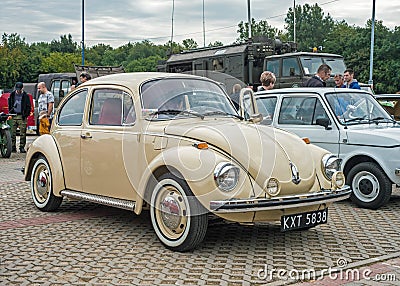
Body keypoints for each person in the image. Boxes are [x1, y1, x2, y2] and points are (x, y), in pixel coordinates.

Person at [7, 82, 31, 153]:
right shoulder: (12, 95)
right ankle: (13, 147)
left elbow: (28, 106)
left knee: (22, 133)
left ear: (22, 88)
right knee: (12, 133)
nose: (18, 90)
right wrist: (10, 113)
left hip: (22, 116)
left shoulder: (25, 95)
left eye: (19, 89)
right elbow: (10, 104)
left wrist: (25, 115)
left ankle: (22, 147)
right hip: (13, 115)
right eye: (17, 89)